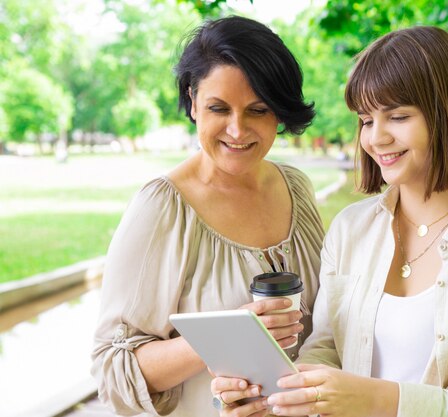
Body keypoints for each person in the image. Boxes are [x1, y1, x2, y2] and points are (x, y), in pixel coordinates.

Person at [212, 26, 448, 417]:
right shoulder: (351, 230)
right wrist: (279, 396)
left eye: (397, 116)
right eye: (365, 120)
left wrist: (379, 400)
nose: (376, 138)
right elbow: (324, 349)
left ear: (446, 116)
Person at [91, 16, 324, 417]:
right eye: (219, 108)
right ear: (193, 101)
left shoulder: (296, 188)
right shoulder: (162, 207)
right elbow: (113, 368)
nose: (237, 130)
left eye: (258, 110)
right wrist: (230, 337)